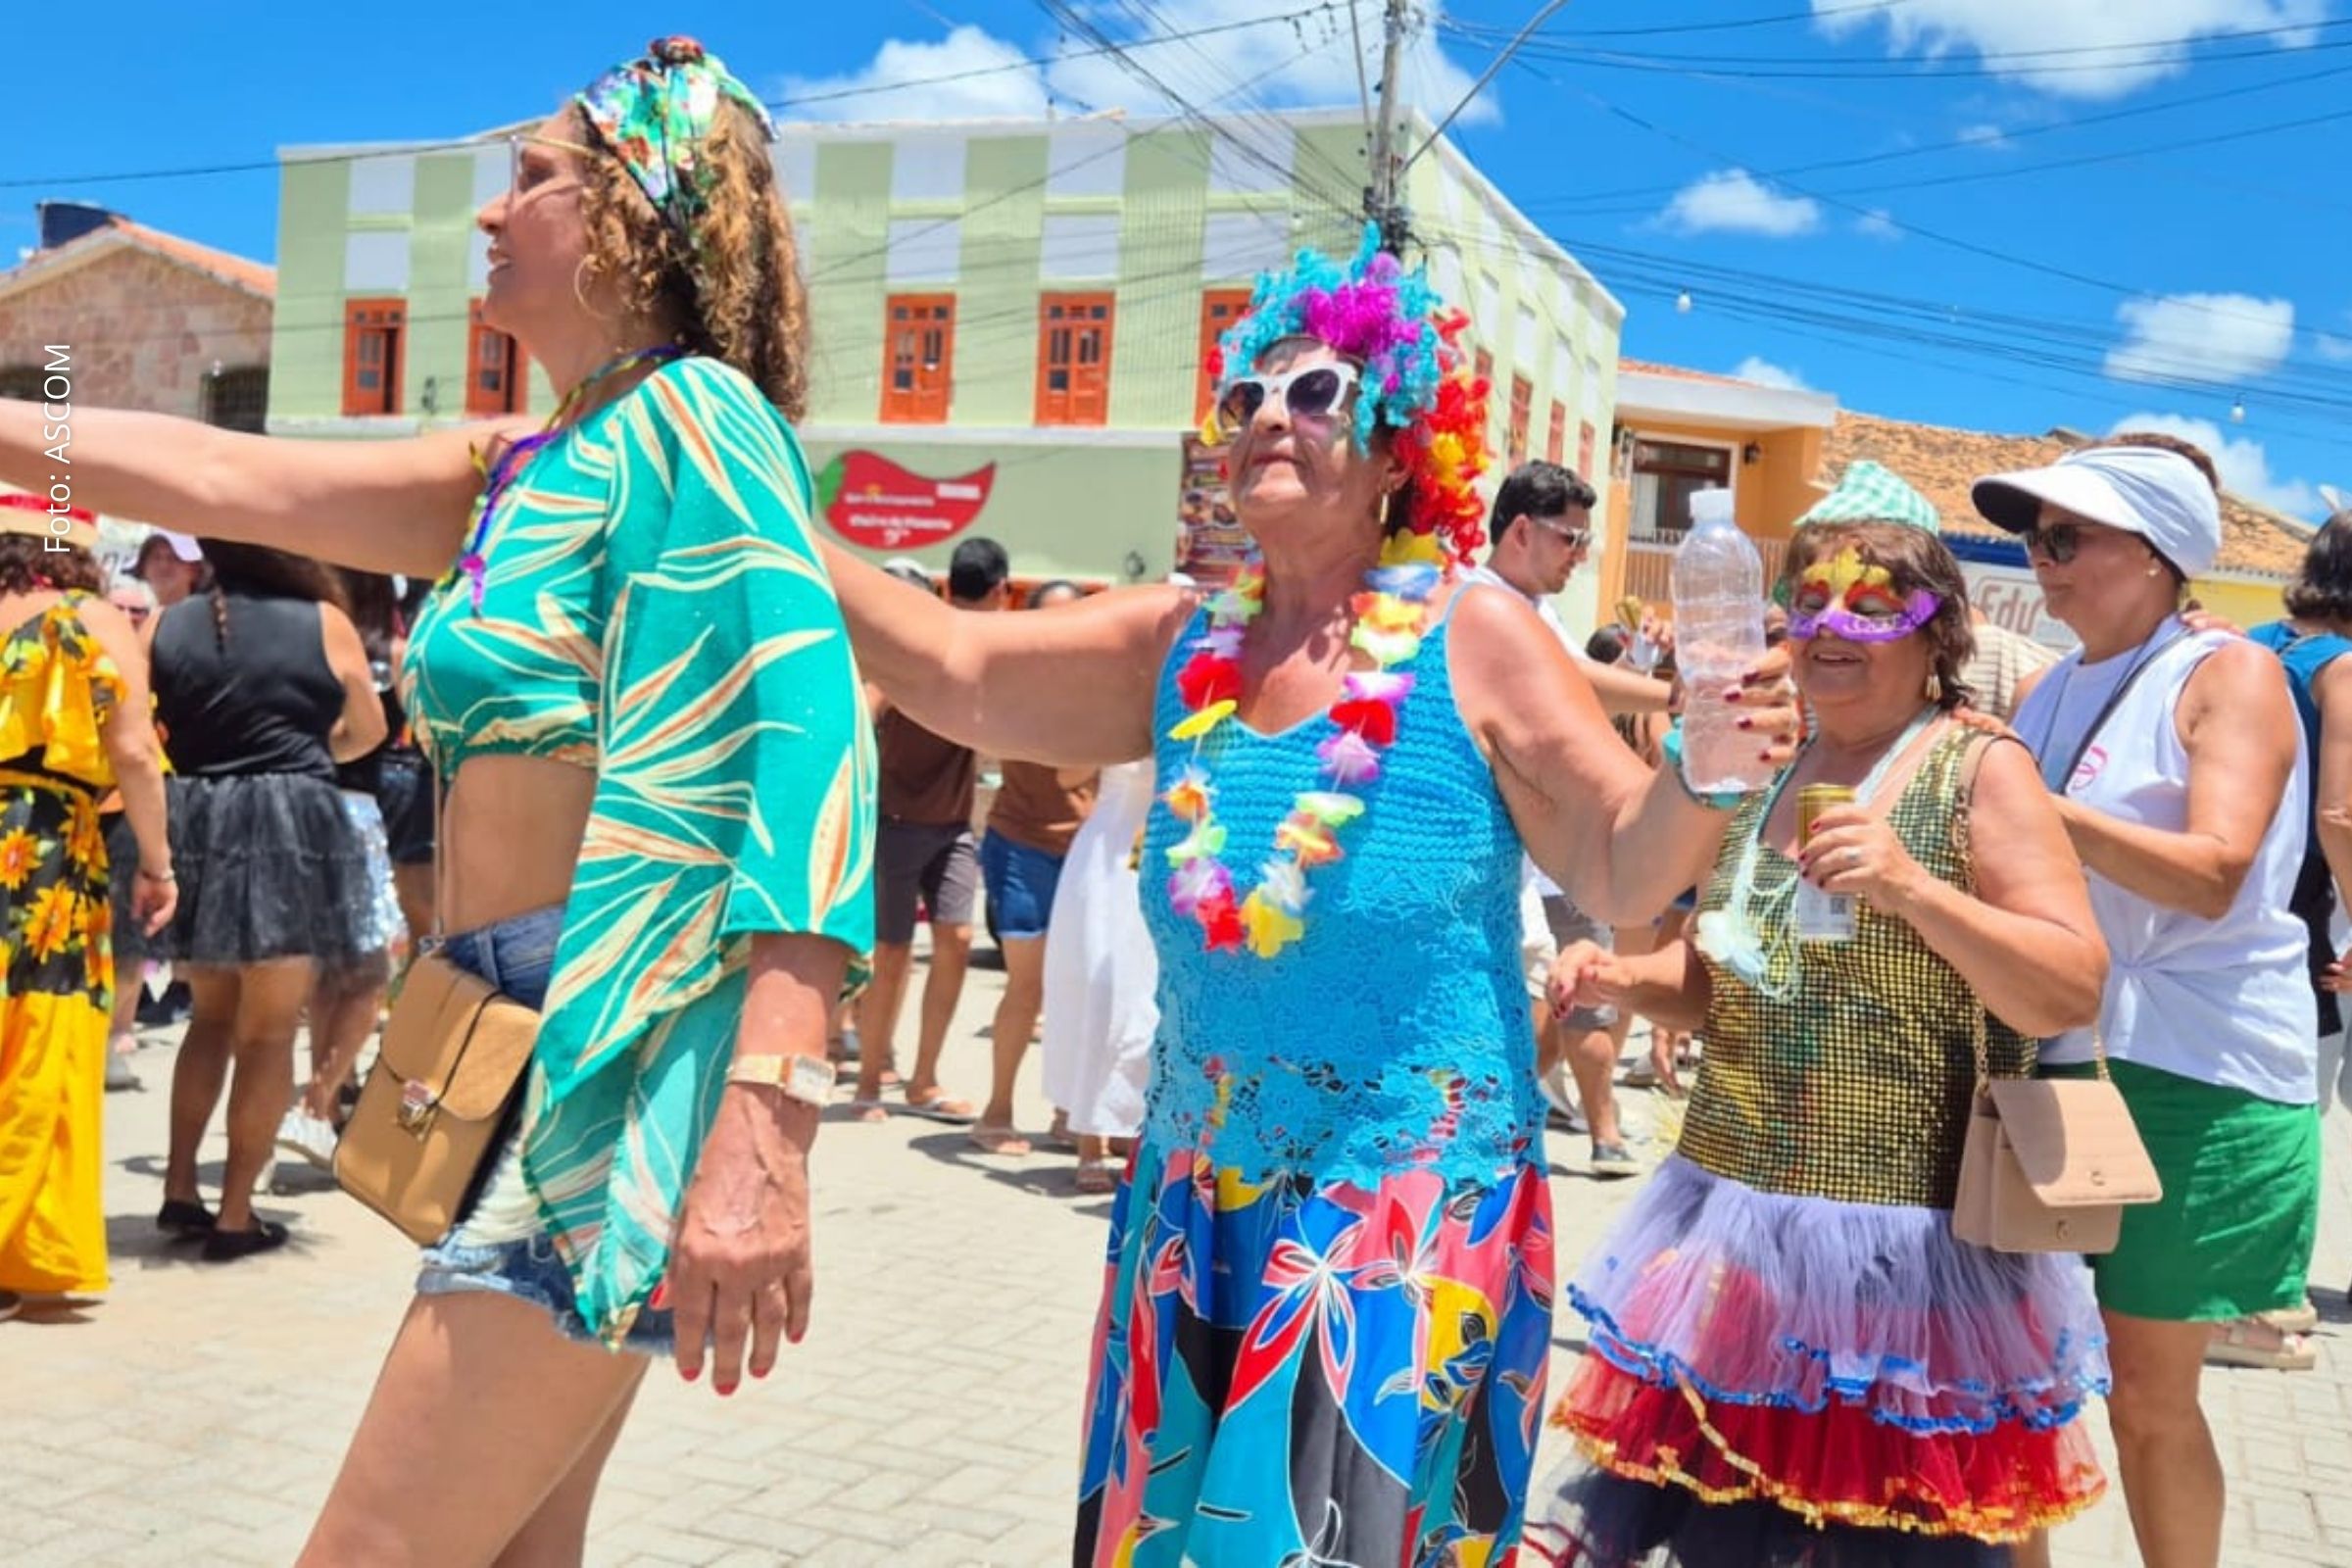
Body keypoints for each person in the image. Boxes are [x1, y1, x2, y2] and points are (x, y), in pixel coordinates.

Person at [0, 36, 873, 1561]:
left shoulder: (695, 427)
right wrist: (27, 428)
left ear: (631, 219)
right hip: (500, 1065)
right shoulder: (532, 466)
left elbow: (810, 754)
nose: (490, 213)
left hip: (603, 1084)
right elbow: (212, 473)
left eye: (530, 178)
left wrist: (771, 1117)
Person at [825, 229, 1799, 1565]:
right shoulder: (1179, 638)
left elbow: (1621, 864)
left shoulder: (1475, 631)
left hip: (1404, 1210)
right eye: (1249, 394)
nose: (1270, 414)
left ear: (1400, 446)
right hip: (1196, 1199)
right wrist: (761, 506)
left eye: (1319, 390)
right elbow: (956, 665)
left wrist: (1702, 766)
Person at [1530, 520, 2112, 1566]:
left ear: (1940, 635)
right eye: (1810, 602)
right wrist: (1623, 977)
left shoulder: (1979, 768)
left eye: (1875, 607)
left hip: (1904, 1260)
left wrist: (1911, 887)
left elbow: (2070, 979)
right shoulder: (1755, 765)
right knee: (1721, 1543)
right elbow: (1720, 989)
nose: (1831, 627)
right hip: (1733, 1234)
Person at [1975, 435, 2318, 1568]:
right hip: (2062, 1060)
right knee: (2014, 1384)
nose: (2044, 560)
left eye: (2068, 536)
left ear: (2161, 554)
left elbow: (2215, 870)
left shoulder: (2231, 673)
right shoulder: (2046, 683)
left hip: (2197, 1071)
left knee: (2146, 1399)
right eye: (2035, 536)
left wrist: (2022, 798)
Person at [149, 541, 385, 1256]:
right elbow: (368, 728)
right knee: (269, 1033)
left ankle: (180, 1188)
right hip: (291, 823)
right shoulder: (322, 620)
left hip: (196, 819)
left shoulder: (166, 622)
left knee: (209, 1022)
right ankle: (235, 1214)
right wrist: (311, 753)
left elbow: (137, 720)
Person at [0, 498, 174, 1323]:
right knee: (36, 1039)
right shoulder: (91, 619)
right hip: (41, 851)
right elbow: (134, 752)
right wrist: (159, 862)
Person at [1475, 460, 1667, 1177]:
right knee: (1518, 999)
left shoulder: (1531, 609)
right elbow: (1572, 684)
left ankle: (1510, 1123)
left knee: (1544, 994)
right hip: (1486, 860)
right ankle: (1498, 1130)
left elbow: (1573, 680)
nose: (1580, 556)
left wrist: (1669, 697)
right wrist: (1672, 700)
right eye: (1570, 539)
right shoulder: (1483, 605)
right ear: (1521, 531)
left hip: (1525, 860)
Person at [852, 535, 1011, 1125]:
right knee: (890, 956)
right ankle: (869, 1083)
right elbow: (869, 701)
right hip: (895, 821)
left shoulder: (995, 655)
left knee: (958, 943)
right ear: (1001, 591)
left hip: (953, 826)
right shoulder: (927, 641)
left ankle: (923, 1080)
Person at [276, 567, 410, 1170]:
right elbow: (385, 729)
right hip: (349, 811)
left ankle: (321, 1105)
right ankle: (316, 1100)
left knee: (331, 974)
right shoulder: (356, 643)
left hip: (297, 809)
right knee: (369, 972)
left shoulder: (298, 633)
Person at [972, 579, 1099, 1154]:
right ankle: (996, 1111)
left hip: (1086, 852)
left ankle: (1070, 1110)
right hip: (1022, 845)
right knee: (1026, 987)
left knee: (1081, 988)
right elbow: (1066, 769)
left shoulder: (1103, 684)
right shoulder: (1017, 685)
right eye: (1054, 620)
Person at [1038, 755, 1156, 1195]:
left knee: (1145, 993)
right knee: (1099, 988)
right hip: (1108, 855)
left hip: (1167, 847)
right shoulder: (1113, 701)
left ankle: (1127, 1124)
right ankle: (1089, 1140)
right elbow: (1065, 774)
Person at [99, 574, 161, 1091]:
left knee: (126, 925)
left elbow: (143, 751)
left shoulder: (150, 658)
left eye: (138, 610)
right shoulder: (87, 632)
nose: (129, 616)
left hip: (125, 804)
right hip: (74, 804)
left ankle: (119, 1026)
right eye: (120, 606)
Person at [130, 529, 205, 608]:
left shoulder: (205, 617)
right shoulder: (127, 614)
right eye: (156, 557)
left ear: (194, 571)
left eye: (174, 558)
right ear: (143, 568)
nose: (164, 566)